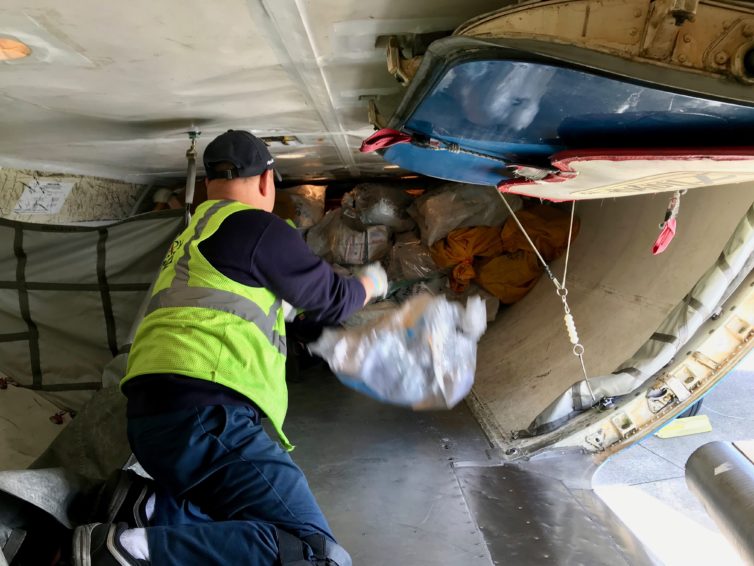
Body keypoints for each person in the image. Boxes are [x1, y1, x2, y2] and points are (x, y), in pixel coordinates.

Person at [72, 129, 388, 565]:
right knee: (314, 552)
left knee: (234, 517)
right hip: (206, 418)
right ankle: (125, 552)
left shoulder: (194, 233)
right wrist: (372, 283)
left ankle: (149, 509)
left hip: (154, 421)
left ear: (207, 185)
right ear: (266, 182)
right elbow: (334, 299)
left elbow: (236, 308)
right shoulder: (257, 227)